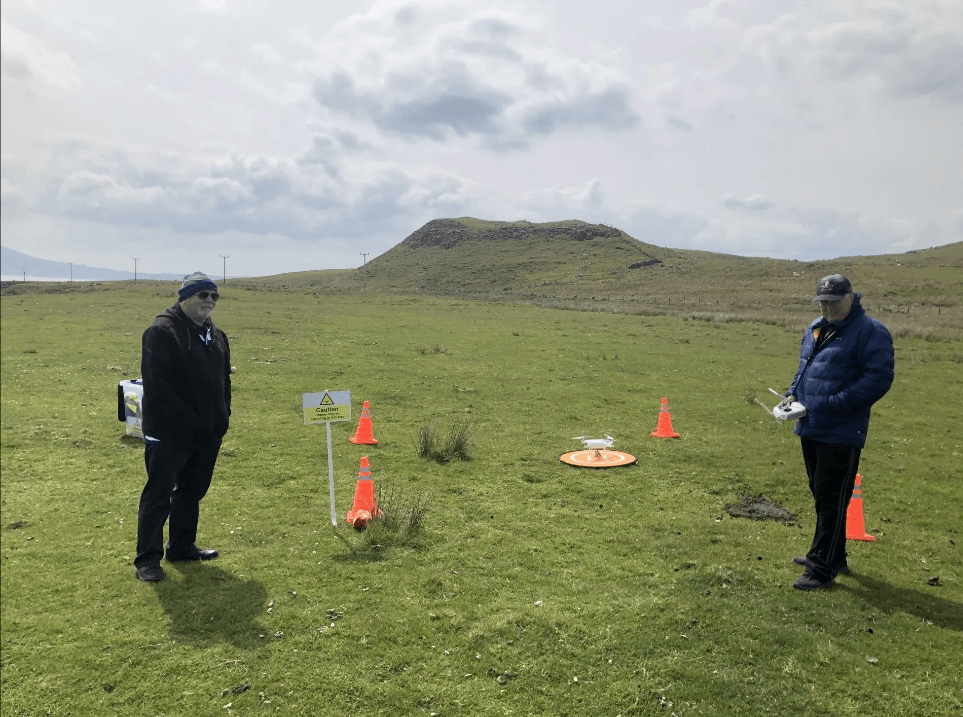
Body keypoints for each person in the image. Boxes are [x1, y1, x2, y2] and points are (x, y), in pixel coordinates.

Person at [785, 274, 894, 591]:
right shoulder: (816, 328)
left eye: (834, 302)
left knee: (832, 498)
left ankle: (821, 568)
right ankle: (835, 554)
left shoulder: (870, 332)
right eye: (823, 302)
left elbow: (878, 379)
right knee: (822, 495)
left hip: (842, 431)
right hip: (810, 424)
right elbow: (805, 367)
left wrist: (835, 404)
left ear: (851, 297)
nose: (828, 308)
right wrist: (792, 394)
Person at [134, 272, 232, 582]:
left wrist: (223, 416)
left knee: (191, 491)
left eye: (214, 296)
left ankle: (181, 546)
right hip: (169, 432)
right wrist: (191, 423)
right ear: (184, 297)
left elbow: (224, 381)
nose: (209, 302)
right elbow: (158, 386)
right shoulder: (161, 331)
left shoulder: (216, 335)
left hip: (207, 432)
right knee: (158, 495)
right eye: (203, 295)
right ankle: (147, 561)